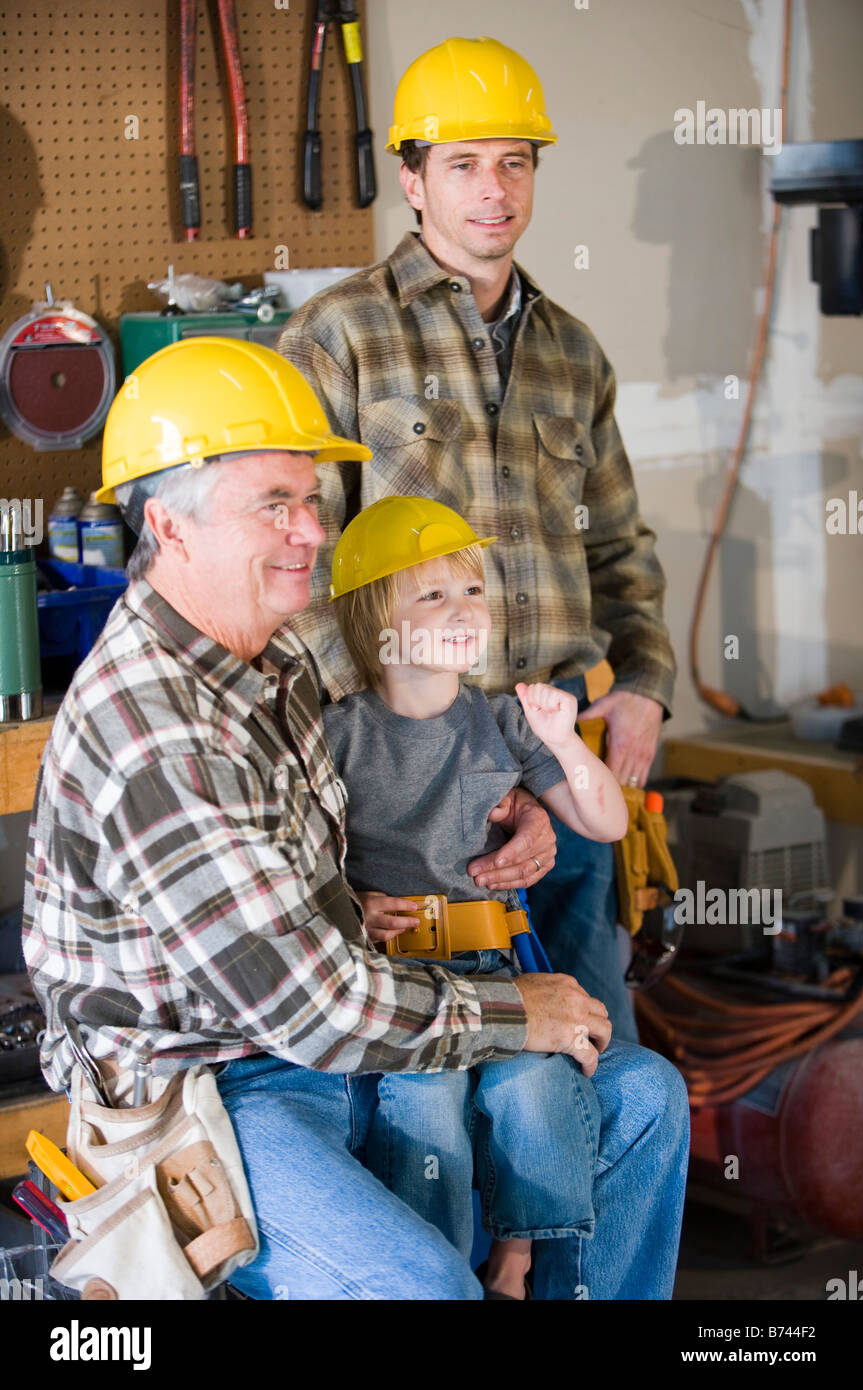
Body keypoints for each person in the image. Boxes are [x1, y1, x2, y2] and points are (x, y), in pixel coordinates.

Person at [23, 337, 688, 1300]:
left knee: (645, 1102)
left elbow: (368, 814)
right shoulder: (156, 732)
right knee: (423, 1284)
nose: (309, 532)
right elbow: (314, 1008)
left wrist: (505, 814)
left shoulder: (272, 662)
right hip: (215, 1090)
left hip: (347, 1031)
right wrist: (514, 1013)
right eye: (273, 507)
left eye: (310, 501)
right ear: (169, 526)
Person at [278, 36, 678, 1044]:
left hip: (555, 743)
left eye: (514, 161)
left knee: (596, 1061)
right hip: (408, 783)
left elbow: (618, 542)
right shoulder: (337, 337)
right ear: (410, 179)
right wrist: (449, 770)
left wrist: (643, 680)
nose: (492, 190)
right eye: (461, 164)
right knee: (446, 1094)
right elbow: (303, 573)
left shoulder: (571, 351)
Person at [322, 495, 629, 1298]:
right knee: (424, 1105)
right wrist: (349, 904)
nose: (464, 611)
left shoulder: (505, 721)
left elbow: (606, 818)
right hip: (401, 979)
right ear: (372, 619)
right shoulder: (335, 734)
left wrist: (563, 742)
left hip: (499, 965)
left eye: (473, 591)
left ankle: (516, 1266)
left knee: (537, 1085)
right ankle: (437, 1274)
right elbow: (300, 862)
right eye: (432, 595)